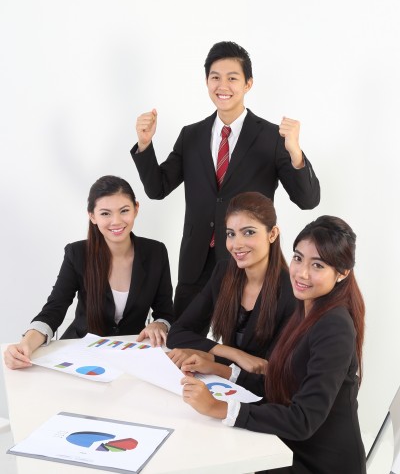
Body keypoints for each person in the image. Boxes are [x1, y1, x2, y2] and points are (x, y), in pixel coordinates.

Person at [132, 41, 320, 320]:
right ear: (206, 81)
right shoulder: (191, 135)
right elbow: (157, 188)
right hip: (195, 264)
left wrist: (295, 152)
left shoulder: (272, 138)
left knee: (244, 341)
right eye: (215, 77)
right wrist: (145, 145)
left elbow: (307, 200)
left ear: (248, 84)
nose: (223, 86)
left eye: (232, 78)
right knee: (181, 339)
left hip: (247, 263)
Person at [180, 215, 366, 474]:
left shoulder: (335, 326)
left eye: (318, 265)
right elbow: (284, 385)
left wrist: (218, 408)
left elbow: (303, 420)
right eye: (298, 258)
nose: (301, 273)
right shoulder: (307, 308)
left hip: (318, 464)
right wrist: (221, 370)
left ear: (342, 273)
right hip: (289, 448)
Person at [4, 175, 174, 370]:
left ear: (136, 208)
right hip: (80, 354)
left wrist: (160, 324)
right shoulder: (77, 253)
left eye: (124, 211)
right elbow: (54, 309)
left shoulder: (156, 252)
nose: (116, 221)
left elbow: (165, 312)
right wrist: (25, 345)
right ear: (92, 216)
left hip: (131, 355)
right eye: (105, 213)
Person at [167, 192, 296, 373]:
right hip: (224, 383)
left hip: (262, 389)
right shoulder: (223, 272)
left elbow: (271, 370)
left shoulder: (291, 290)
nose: (236, 244)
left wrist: (211, 360)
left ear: (272, 234)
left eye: (249, 232)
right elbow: (177, 333)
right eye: (231, 234)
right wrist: (235, 354)